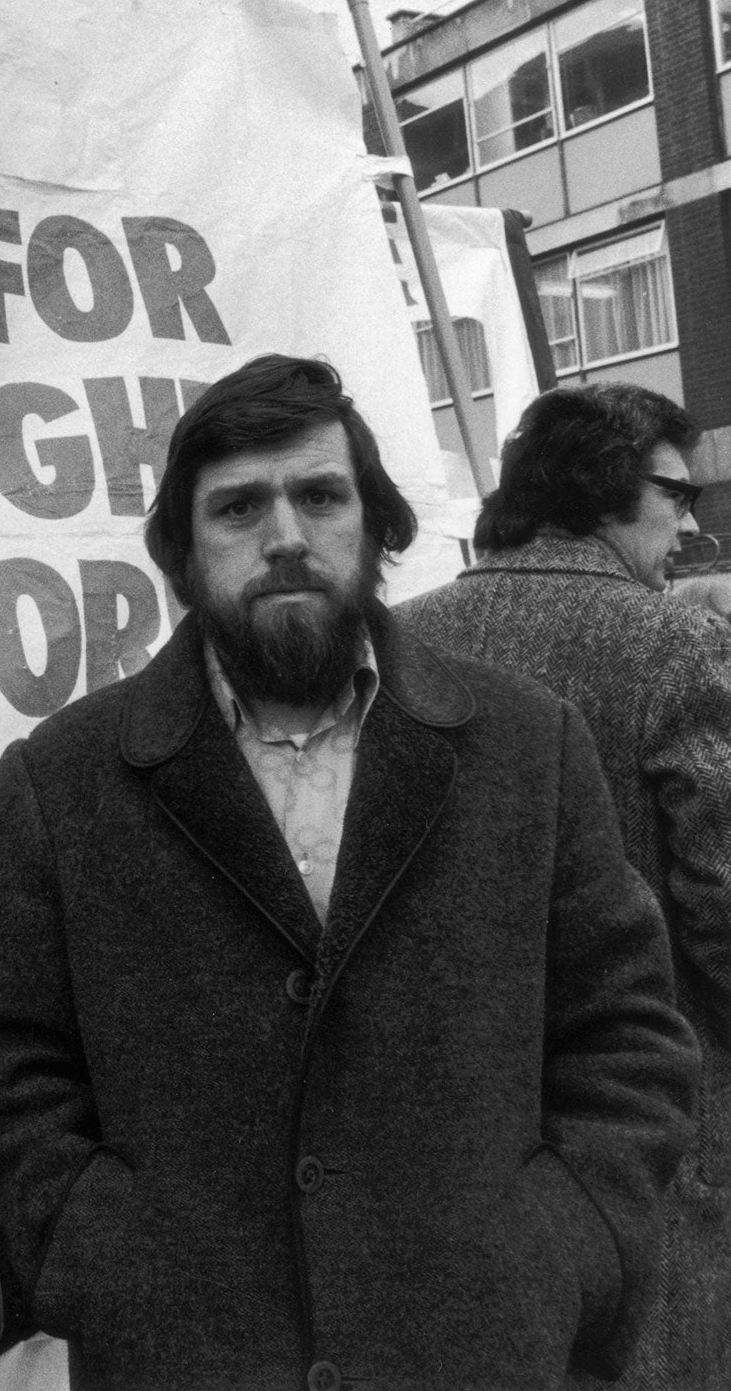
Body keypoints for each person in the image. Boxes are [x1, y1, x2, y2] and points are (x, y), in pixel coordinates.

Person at [0, 355, 697, 1389]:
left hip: (477, 1345)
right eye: (237, 508)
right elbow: (9, 1063)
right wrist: (95, 1252)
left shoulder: (528, 747)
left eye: (318, 495)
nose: (285, 537)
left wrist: (567, 1242)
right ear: (180, 548)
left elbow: (623, 1031)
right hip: (187, 1353)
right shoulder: (63, 779)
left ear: (374, 522)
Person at [399, 382, 731, 1387]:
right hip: (657, 1133)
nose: (689, 523)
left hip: (448, 1129)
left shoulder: (395, 640)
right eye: (675, 493)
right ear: (600, 485)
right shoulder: (672, 643)